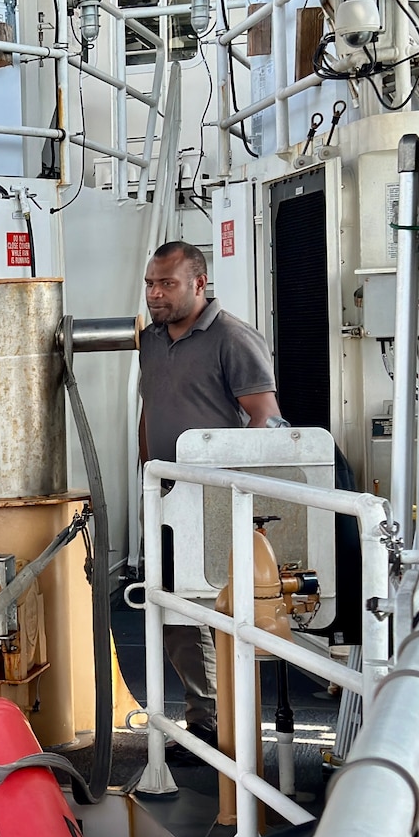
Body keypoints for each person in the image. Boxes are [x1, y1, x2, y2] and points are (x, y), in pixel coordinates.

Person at [138, 240, 282, 750]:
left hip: (218, 500)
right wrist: (148, 474)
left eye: (167, 284)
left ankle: (232, 727)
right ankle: (205, 719)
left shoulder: (233, 338)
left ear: (199, 283)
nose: (155, 294)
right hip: (167, 497)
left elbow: (265, 419)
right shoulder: (151, 339)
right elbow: (150, 409)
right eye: (151, 284)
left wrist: (239, 495)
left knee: (220, 607)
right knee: (173, 612)